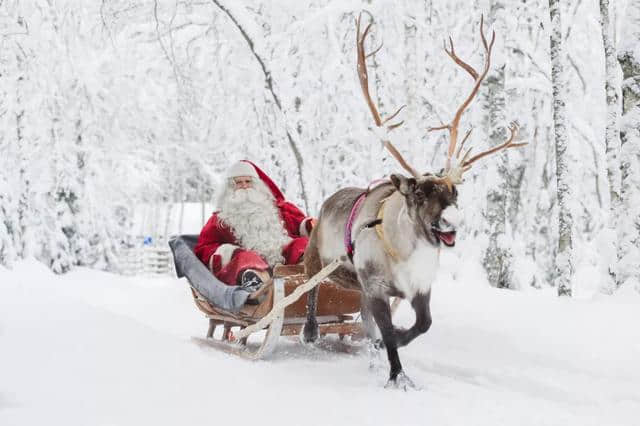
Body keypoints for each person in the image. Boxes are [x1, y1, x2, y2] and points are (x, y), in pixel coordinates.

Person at [194, 160, 315, 292]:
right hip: (250, 266)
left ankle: (308, 273)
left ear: (257, 185)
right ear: (230, 188)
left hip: (285, 261)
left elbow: (299, 224)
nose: (245, 186)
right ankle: (258, 284)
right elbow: (205, 247)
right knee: (245, 258)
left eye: (248, 181)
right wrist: (229, 252)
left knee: (302, 244)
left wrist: (311, 225)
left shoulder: (277, 209)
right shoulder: (220, 219)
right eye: (238, 183)